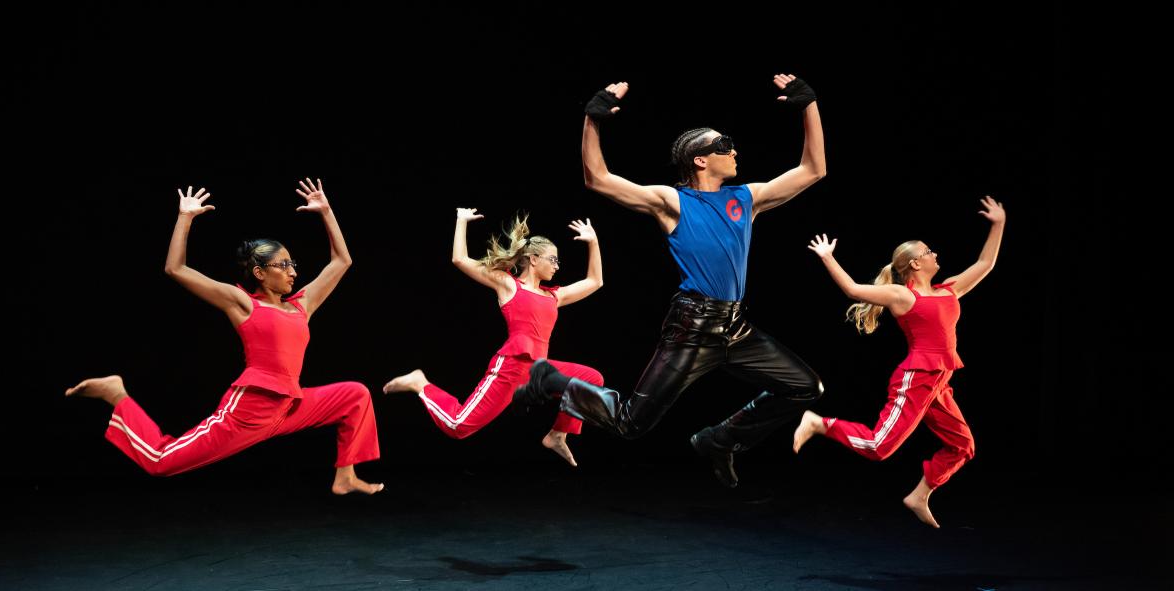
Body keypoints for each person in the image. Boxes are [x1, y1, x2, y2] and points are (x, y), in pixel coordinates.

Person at [515, 74, 826, 488]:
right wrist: (593, 119)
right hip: (691, 327)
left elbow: (813, 169)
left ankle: (720, 440)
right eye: (723, 145)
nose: (733, 151)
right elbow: (598, 178)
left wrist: (809, 104)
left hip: (735, 326)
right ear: (700, 159)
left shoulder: (747, 198)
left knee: (806, 388)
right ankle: (550, 379)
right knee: (630, 423)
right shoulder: (673, 201)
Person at [66, 179, 383, 495]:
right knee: (160, 461)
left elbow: (342, 261)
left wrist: (326, 211)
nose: (292, 271)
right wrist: (185, 218)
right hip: (250, 410)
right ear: (260, 273)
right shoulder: (243, 303)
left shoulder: (303, 304)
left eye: (292, 264)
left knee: (356, 394)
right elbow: (176, 269)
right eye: (283, 265)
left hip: (290, 405)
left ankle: (345, 476)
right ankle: (117, 395)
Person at [793, 196, 1006, 527]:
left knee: (963, 445)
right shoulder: (903, 296)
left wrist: (999, 223)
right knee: (879, 447)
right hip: (917, 378)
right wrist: (828, 257)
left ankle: (919, 495)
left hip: (939, 382)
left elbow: (985, 265)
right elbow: (852, 289)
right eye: (928, 251)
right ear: (916, 265)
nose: (935, 254)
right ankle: (819, 423)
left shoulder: (948, 290)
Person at [382, 208, 605, 466]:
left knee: (591, 378)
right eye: (552, 260)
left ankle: (557, 434)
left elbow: (595, 281)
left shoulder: (554, 296)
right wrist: (461, 221)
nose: (557, 266)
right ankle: (420, 383)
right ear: (533, 259)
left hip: (540, 371)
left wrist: (594, 242)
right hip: (511, 368)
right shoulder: (509, 285)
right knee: (458, 426)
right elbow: (460, 259)